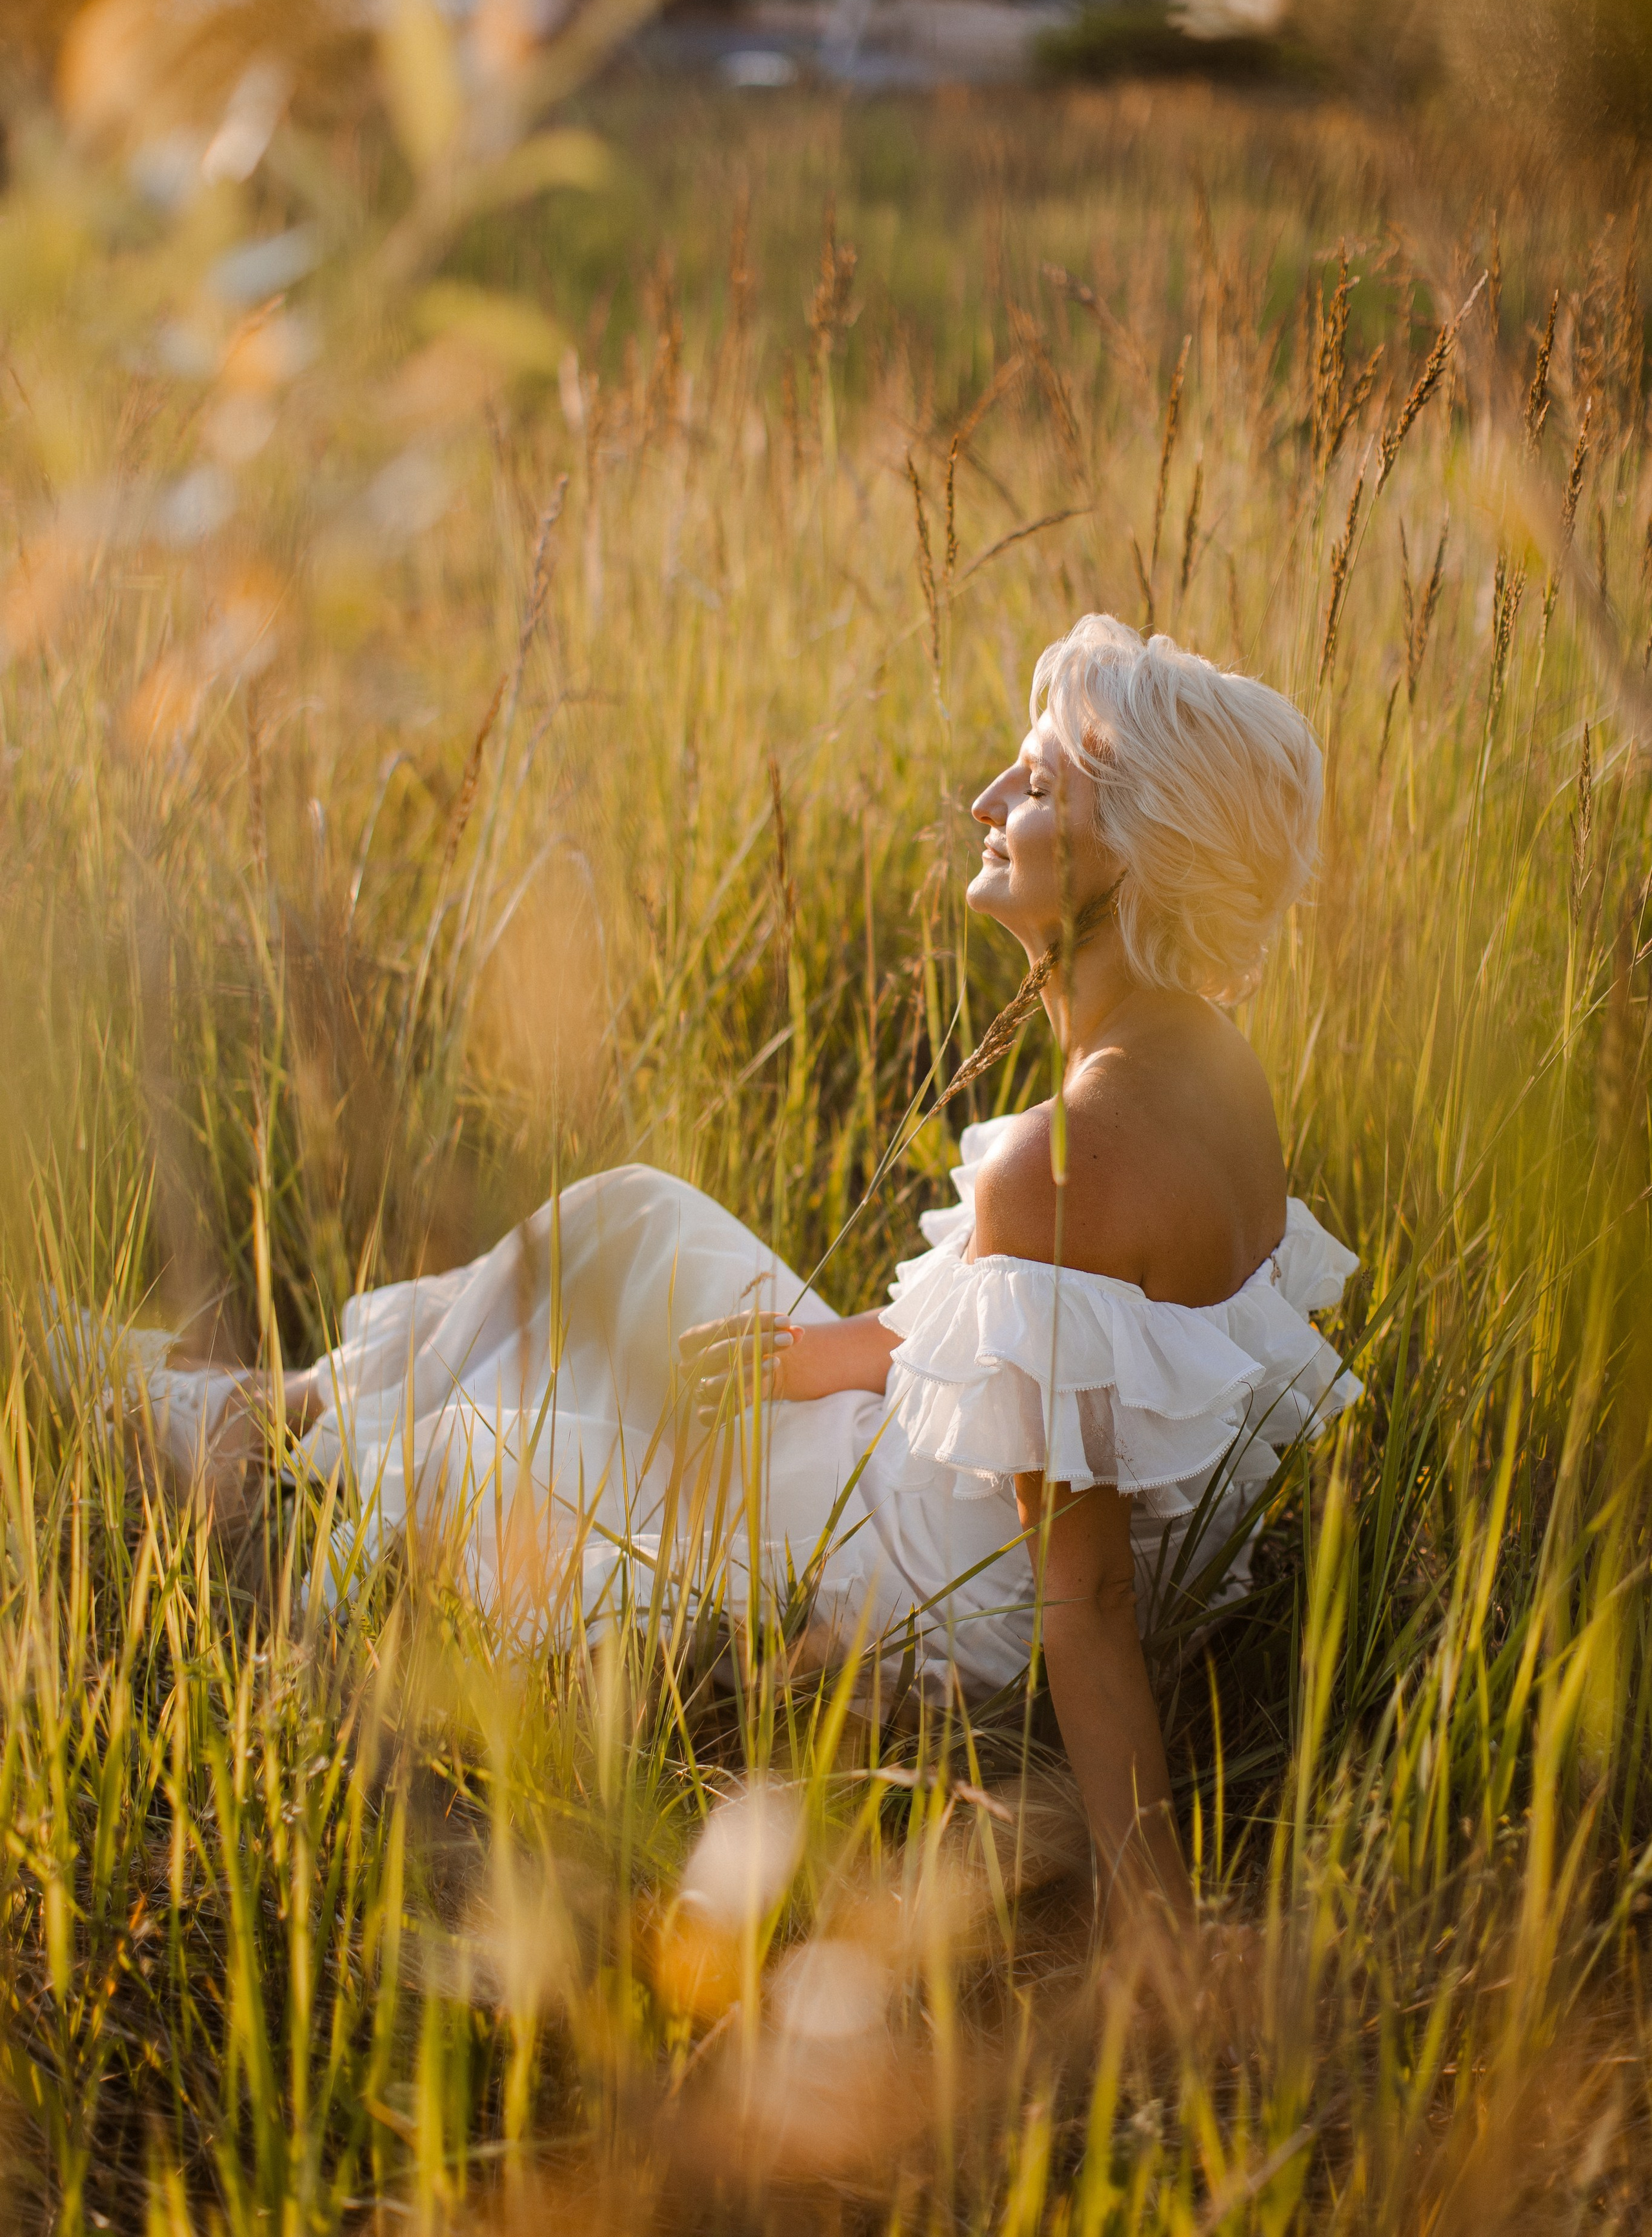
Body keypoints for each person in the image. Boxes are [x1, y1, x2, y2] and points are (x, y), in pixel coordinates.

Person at [121, 614, 1360, 1920]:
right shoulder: (1209, 1070)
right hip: (947, 1488)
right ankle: (281, 1404)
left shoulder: (1063, 1164)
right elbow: (1077, 1368)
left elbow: (1089, 1593)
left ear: (1136, 856)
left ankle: (230, 1441)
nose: (988, 801)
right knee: (631, 1221)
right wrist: (830, 1356)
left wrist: (1153, 1912)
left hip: (924, 1588)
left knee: (490, 1454)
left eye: (1040, 783)